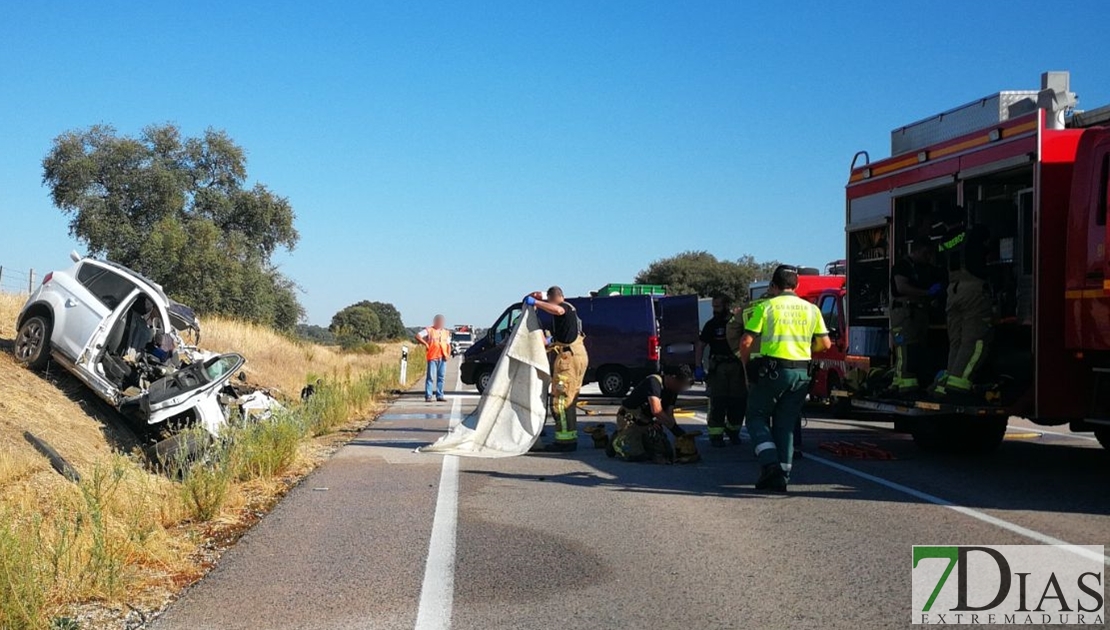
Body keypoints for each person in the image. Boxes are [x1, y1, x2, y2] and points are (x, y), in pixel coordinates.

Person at [740, 265, 832, 492]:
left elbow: (745, 342)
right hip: (801, 374)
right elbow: (825, 344)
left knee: (755, 417)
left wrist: (747, 368)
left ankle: (769, 462)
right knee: (786, 424)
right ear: (797, 285)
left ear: (773, 285)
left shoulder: (766, 306)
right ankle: (782, 476)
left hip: (773, 371)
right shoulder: (812, 310)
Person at [930, 207, 992, 401]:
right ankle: (959, 384)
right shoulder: (972, 234)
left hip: (952, 291)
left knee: (955, 341)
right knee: (975, 340)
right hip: (972, 290)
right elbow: (987, 235)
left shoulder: (942, 243)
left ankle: (946, 382)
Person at [526, 287, 589, 452]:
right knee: (569, 400)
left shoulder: (565, 307)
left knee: (560, 401)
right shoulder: (571, 314)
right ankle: (569, 438)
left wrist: (536, 303)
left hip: (569, 359)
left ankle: (564, 441)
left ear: (555, 297)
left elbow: (558, 309)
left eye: (548, 301)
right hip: (578, 354)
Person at [889, 239, 943, 395]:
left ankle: (903, 382)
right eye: (926, 254)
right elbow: (901, 287)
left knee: (916, 349)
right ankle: (905, 385)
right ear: (918, 251)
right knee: (906, 350)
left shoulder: (924, 268)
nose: (928, 258)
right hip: (904, 313)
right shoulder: (902, 266)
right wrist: (927, 293)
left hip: (918, 314)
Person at [609, 364, 694, 463]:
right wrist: (677, 431)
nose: (681, 388)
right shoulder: (653, 382)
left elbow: (669, 415)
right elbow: (657, 411)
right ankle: (617, 442)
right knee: (636, 456)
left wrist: (681, 437)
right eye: (681, 384)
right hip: (629, 419)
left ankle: (642, 441)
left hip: (647, 422)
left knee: (666, 453)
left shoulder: (673, 390)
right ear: (672, 377)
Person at [698, 295, 747, 447]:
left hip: (737, 367)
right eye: (713, 307)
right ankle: (716, 435)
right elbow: (701, 345)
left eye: (718, 307)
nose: (715, 310)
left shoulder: (738, 323)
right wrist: (698, 367)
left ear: (726, 305)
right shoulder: (711, 325)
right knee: (717, 402)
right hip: (718, 368)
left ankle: (734, 431)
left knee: (738, 402)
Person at [416, 315, 452, 402]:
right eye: (439, 321)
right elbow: (418, 336)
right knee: (430, 377)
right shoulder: (429, 330)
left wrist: (448, 354)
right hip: (432, 356)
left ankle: (440, 395)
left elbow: (448, 345)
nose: (440, 323)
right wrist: (426, 344)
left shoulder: (446, 332)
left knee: (441, 377)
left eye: (442, 321)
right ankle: (428, 395)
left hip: (442, 357)